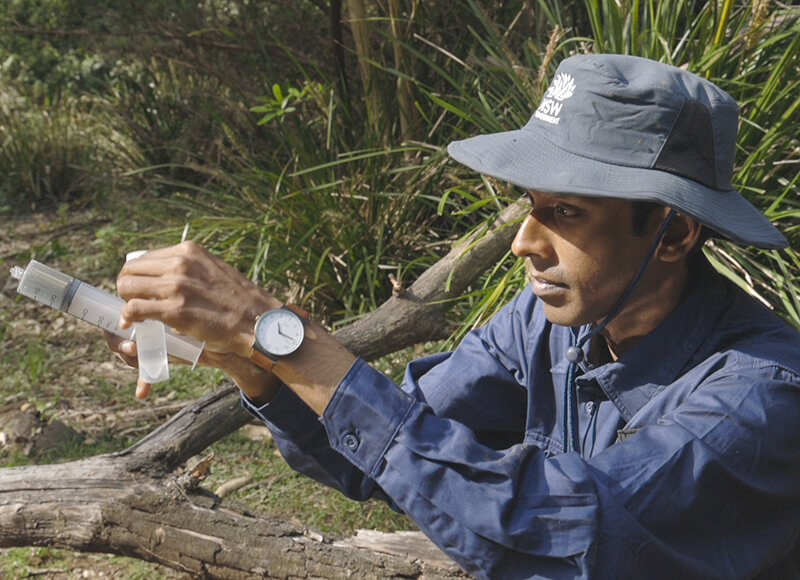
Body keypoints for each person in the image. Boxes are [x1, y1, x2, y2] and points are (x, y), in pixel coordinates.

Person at [108, 54, 800, 579]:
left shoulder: (759, 396)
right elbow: (381, 456)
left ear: (674, 234)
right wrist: (249, 360)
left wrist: (281, 335)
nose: (527, 242)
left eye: (566, 212)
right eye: (530, 205)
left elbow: (562, 527)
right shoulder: (547, 326)